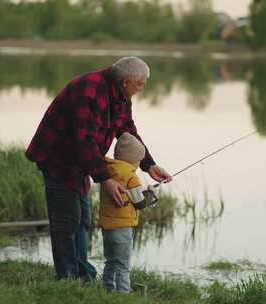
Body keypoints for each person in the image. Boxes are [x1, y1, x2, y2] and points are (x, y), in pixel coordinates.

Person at [25, 56, 172, 281]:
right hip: (58, 157)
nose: (141, 89)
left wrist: (149, 165)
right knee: (68, 219)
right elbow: (84, 140)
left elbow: (127, 129)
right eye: (140, 84)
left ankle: (82, 273)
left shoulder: (121, 95)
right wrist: (105, 178)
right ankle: (68, 278)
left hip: (80, 161)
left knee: (82, 218)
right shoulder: (89, 90)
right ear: (126, 80)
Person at [99, 132, 157, 293]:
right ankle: (123, 295)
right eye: (139, 160)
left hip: (107, 226)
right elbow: (140, 203)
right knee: (123, 265)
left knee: (110, 261)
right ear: (133, 160)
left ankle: (107, 290)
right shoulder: (132, 178)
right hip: (123, 228)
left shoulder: (107, 171)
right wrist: (150, 193)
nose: (139, 164)